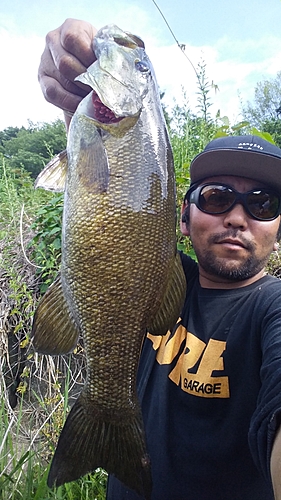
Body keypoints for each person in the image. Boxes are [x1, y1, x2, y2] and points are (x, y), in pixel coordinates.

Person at [38, 19, 281, 500]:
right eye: (215, 198)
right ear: (182, 218)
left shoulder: (271, 311)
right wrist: (78, 99)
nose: (237, 216)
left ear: (279, 227)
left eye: (263, 203)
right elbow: (101, 182)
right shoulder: (160, 278)